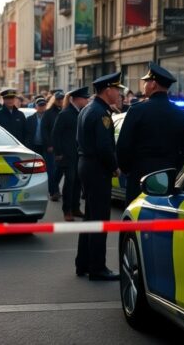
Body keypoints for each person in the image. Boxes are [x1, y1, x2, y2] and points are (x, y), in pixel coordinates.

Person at [116, 63, 184, 204]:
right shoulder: (180, 114)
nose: (144, 85)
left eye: (146, 82)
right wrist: (174, 166)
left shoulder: (137, 111)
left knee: (135, 218)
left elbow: (123, 146)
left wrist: (128, 169)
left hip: (139, 176)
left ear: (153, 85)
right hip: (166, 178)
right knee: (160, 219)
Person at [75, 72, 124, 281]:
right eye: (117, 90)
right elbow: (104, 147)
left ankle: (83, 263)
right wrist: (115, 167)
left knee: (90, 217)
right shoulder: (102, 114)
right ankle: (97, 267)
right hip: (96, 168)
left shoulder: (88, 109)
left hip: (86, 164)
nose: (119, 94)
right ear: (108, 90)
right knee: (100, 219)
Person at [52, 88, 90, 221]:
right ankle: (67, 210)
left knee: (78, 183)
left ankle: (75, 208)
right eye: (84, 98)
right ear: (75, 99)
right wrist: (59, 153)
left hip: (79, 154)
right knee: (70, 183)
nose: (86, 100)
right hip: (67, 155)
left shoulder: (82, 112)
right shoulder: (66, 113)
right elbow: (56, 134)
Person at [43, 91, 64, 201]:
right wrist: (49, 144)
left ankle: (56, 189)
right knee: (52, 170)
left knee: (60, 170)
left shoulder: (64, 111)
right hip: (52, 147)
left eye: (62, 99)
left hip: (62, 146)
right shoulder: (48, 113)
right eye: (58, 99)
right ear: (54, 100)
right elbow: (44, 130)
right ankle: (54, 191)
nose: (60, 101)